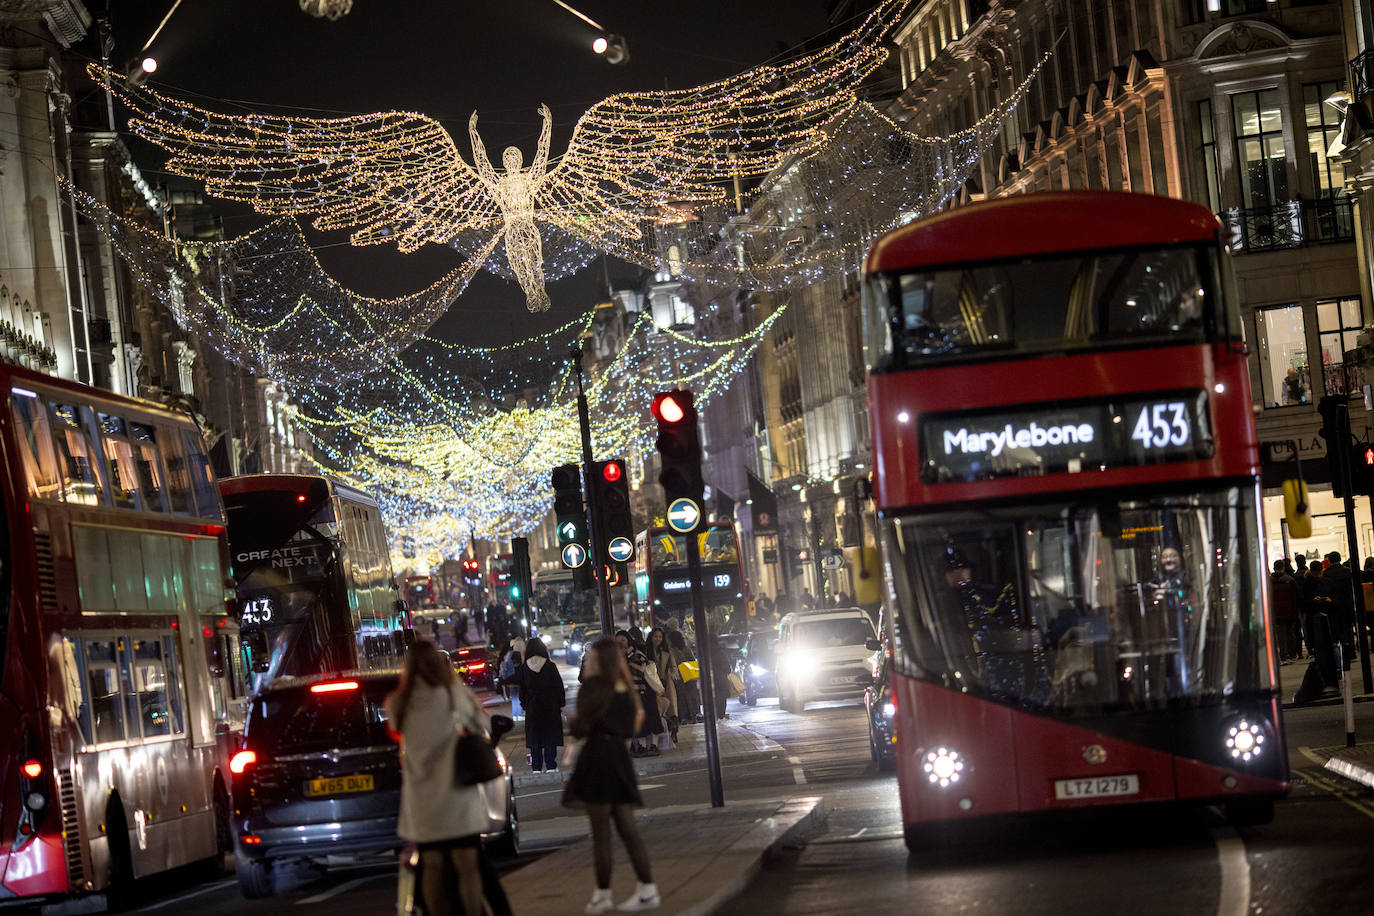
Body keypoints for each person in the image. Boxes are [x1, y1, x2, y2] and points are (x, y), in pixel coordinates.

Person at [385, 640, 500, 916]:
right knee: (467, 867)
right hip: (457, 796)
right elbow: (482, 726)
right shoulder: (452, 695)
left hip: (423, 801)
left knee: (432, 867)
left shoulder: (398, 702)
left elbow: (396, 730)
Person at [563, 637, 660, 913]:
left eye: (591, 657)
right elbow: (631, 726)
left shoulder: (592, 688)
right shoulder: (624, 688)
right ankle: (647, 888)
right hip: (620, 758)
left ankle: (602, 894)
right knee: (629, 830)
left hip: (597, 759)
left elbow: (580, 729)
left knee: (601, 834)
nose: (588, 660)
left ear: (598, 661)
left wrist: (577, 723)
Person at [514, 637, 565, 772]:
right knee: (550, 735)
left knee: (534, 737)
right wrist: (560, 703)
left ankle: (536, 767)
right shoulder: (550, 666)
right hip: (550, 705)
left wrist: (525, 705)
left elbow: (522, 690)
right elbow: (558, 686)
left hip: (533, 706)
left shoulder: (524, 668)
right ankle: (551, 765)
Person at [617, 630, 664, 756]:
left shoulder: (637, 655)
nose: (620, 643)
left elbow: (638, 671)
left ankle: (647, 746)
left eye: (623, 640)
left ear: (628, 641)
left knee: (645, 721)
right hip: (625, 695)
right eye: (618, 640)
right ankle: (637, 746)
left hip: (640, 693)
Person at [646, 627, 679, 745]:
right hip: (652, 684)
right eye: (655, 636)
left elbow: (674, 667)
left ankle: (674, 731)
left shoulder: (667, 651)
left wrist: (672, 674)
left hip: (666, 683)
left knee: (671, 709)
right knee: (658, 710)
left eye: (660, 637)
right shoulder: (647, 651)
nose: (658, 639)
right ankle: (659, 736)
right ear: (651, 637)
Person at [666, 628, 701, 723]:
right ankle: (694, 715)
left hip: (679, 679)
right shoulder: (686, 649)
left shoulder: (671, 650)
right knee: (691, 697)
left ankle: (684, 717)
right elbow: (693, 662)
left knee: (681, 698)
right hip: (689, 678)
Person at [1269, 559, 1301, 663]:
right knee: (1290, 633)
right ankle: (1292, 654)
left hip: (1276, 612)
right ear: (1283, 567)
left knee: (1280, 635)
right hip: (1289, 611)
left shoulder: (1269, 581)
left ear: (1274, 568)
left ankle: (1283, 655)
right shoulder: (1290, 580)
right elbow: (1296, 597)